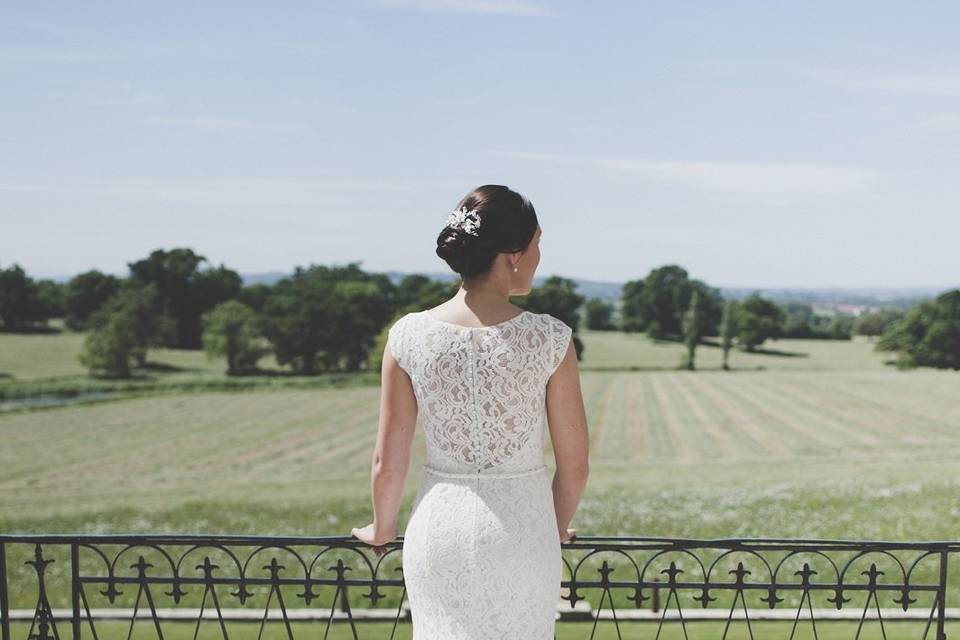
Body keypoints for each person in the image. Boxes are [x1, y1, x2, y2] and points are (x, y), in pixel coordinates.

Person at [352, 184, 590, 639]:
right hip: (523, 533)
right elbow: (575, 466)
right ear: (513, 255)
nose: (540, 257)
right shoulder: (551, 339)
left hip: (437, 534)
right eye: (538, 245)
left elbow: (388, 462)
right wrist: (552, 528)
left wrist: (382, 529)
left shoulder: (407, 336)